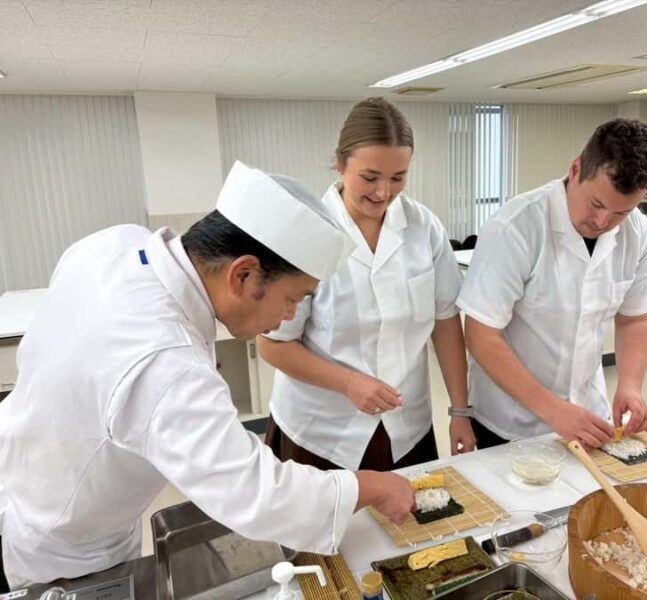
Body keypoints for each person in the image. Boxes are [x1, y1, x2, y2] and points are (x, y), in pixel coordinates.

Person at [0, 162, 414, 590]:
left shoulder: (116, 244)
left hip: (30, 473)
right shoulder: (165, 361)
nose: (288, 316)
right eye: (292, 299)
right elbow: (260, 496)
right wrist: (370, 486)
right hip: (62, 545)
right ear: (244, 274)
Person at [258, 97, 476, 472]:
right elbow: (273, 344)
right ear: (341, 164)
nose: (383, 193)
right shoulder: (308, 232)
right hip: (320, 431)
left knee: (413, 527)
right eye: (370, 177)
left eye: (398, 178)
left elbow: (445, 323)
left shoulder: (424, 229)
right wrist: (347, 382)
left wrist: (459, 409)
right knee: (325, 528)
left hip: (406, 428)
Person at [457, 118, 647, 449]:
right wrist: (553, 410)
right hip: (510, 421)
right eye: (596, 204)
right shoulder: (516, 227)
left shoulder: (635, 232)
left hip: (586, 413)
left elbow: (635, 318)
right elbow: (481, 337)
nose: (602, 222)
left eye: (620, 213)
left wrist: (630, 387)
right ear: (577, 169)